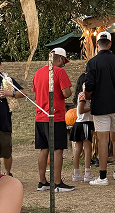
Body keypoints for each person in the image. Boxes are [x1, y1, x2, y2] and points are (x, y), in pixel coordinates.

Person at [84, 31, 115, 185]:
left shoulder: (92, 63)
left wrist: (87, 96)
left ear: (97, 45)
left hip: (100, 106)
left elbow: (89, 85)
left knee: (103, 140)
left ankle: (102, 176)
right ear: (109, 44)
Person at [32, 47, 74, 192]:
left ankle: (42, 182)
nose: (64, 64)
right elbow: (66, 92)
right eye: (64, 61)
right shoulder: (59, 72)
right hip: (55, 117)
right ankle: (57, 183)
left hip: (40, 116)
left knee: (44, 149)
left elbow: (35, 93)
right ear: (60, 59)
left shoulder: (38, 73)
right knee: (57, 150)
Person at [0, 53, 25, 177]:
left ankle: (7, 174)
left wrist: (9, 92)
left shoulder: (7, 80)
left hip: (4, 121)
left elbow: (23, 93)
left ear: (1, 65)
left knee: (6, 150)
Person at [70, 73, 94, 183]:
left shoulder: (80, 94)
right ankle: (87, 173)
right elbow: (81, 110)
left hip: (79, 123)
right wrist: (92, 108)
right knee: (87, 149)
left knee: (78, 149)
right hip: (84, 123)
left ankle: (76, 174)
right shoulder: (84, 95)